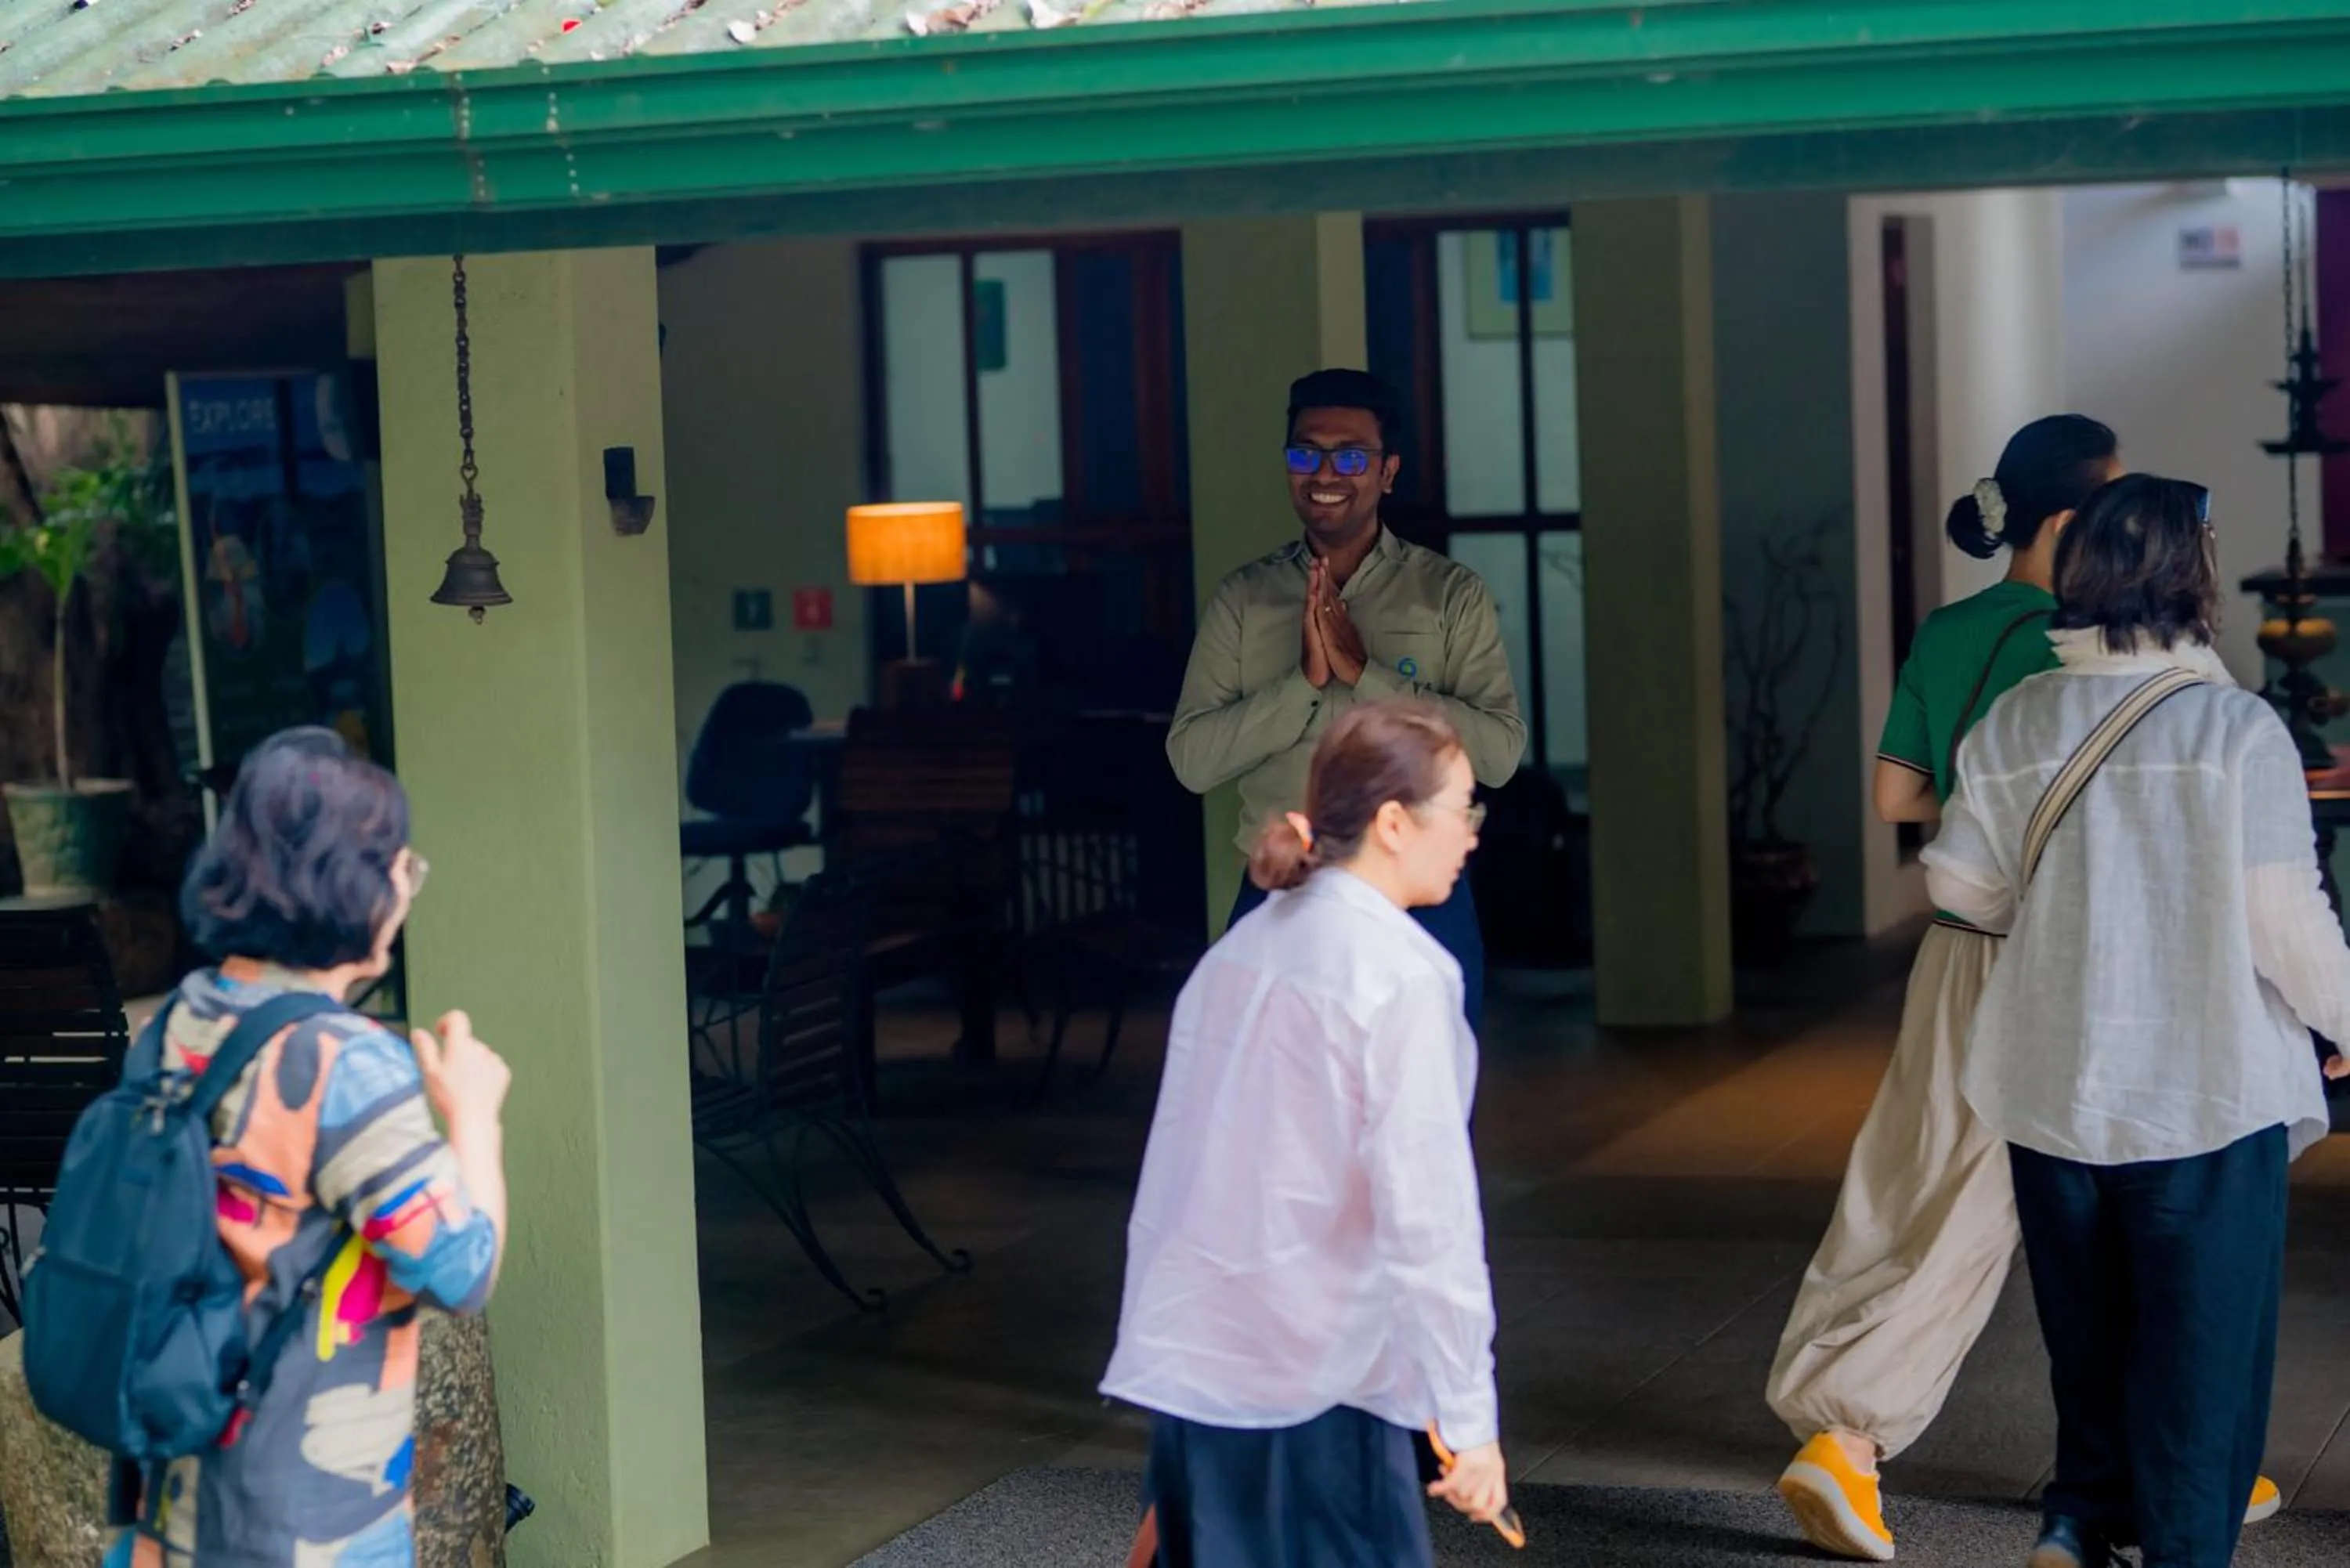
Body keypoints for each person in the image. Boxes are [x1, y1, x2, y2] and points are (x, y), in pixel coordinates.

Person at [1768, 417, 2181, 1558]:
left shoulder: (1951, 628)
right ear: (2066, 519)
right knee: (2045, 1206)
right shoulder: (2080, 640)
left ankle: (2155, 1448)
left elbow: (1900, 799)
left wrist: (1978, 814)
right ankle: (1851, 1436)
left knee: (1906, 1180)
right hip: (2060, 957)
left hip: (1954, 944)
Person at [1926, 475, 2348, 1568]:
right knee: (2201, 1362)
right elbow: (2285, 923)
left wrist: (2075, 902)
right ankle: (2175, 1549)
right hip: (2204, 1092)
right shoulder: (2233, 729)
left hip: (2049, 1090)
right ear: (2189, 577)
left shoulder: (2013, 718)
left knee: (2090, 1338)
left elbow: (1963, 887)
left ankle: (2077, 1518)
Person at [1104, 699, 1506, 1566]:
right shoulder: (1402, 976)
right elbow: (1428, 1216)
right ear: (1395, 823)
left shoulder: (1239, 952)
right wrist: (1469, 1415)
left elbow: (1182, 1172)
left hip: (1202, 1358)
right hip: (1324, 1378)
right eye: (1461, 807)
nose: (1473, 833)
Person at [107, 728, 510, 1568]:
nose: (407, 886)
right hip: (306, 1521)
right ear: (350, 887)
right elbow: (462, 1269)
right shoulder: (347, 1067)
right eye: (401, 867)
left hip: (169, 1488)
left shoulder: (180, 1020)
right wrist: (474, 1115)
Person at [1167, 368, 1524, 1029]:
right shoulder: (1244, 601)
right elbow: (1191, 760)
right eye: (1305, 453)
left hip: (1421, 899)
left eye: (1350, 456)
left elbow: (1499, 756)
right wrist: (1301, 684)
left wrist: (1365, 673)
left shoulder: (1449, 596)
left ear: (1387, 472)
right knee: (1275, 1110)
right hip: (1284, 892)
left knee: (1423, 1109)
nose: (1324, 473)